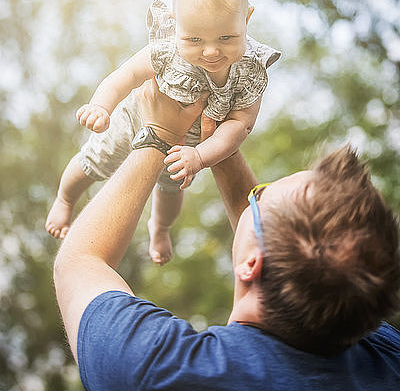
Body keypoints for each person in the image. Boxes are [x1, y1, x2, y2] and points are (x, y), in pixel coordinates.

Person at [54, 78, 400, 391]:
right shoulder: (383, 351)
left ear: (251, 263)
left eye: (261, 194)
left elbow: (79, 263)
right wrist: (218, 141)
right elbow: (272, 245)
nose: (253, 194)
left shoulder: (159, 370)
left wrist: (157, 133)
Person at [46, 0, 281, 264]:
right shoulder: (165, 50)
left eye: (226, 37)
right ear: (175, 22)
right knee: (94, 162)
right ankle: (64, 198)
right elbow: (125, 75)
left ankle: (160, 228)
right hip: (135, 121)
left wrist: (199, 155)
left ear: (247, 18)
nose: (211, 51)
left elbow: (241, 125)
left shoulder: (249, 69)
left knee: (171, 191)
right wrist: (101, 106)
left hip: (187, 146)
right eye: (194, 39)